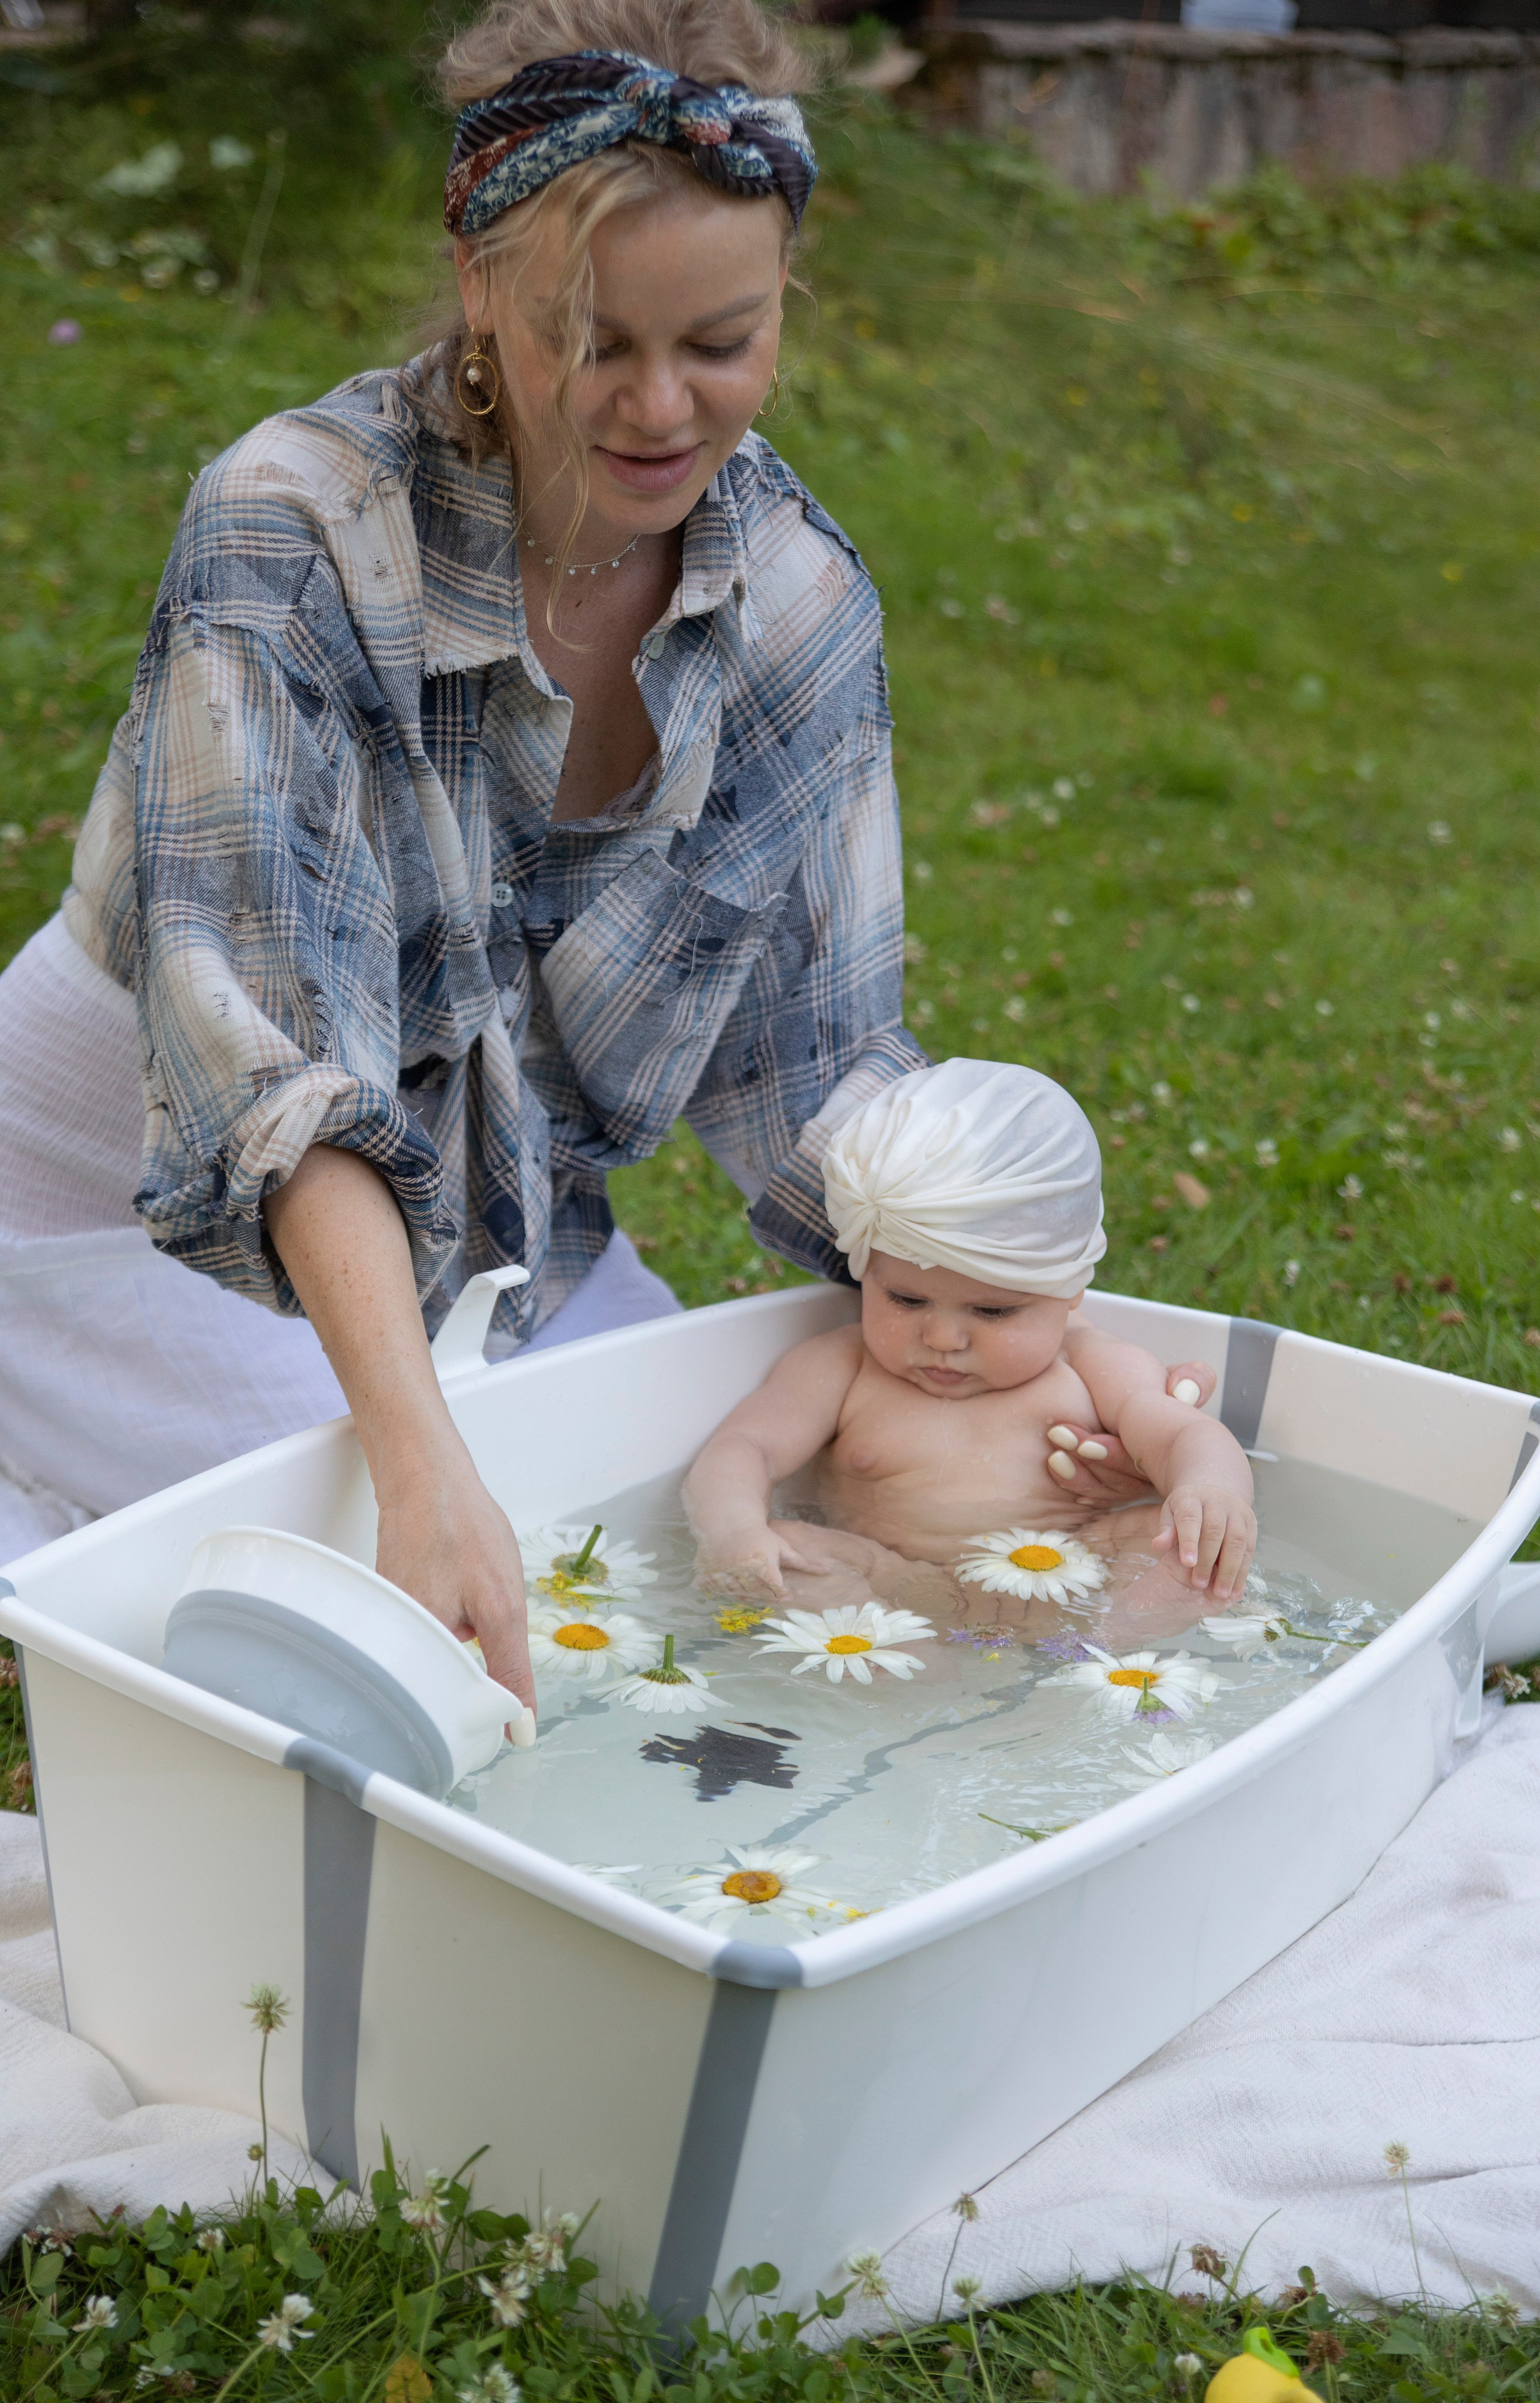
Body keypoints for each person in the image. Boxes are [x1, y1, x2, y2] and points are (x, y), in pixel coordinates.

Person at [0, 0, 929, 1723]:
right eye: (595, 340)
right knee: (403, 1609)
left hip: (502, 1241)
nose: (660, 408)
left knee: (741, 1511)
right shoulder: (292, 528)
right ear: (479, 280)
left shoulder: (798, 605)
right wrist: (423, 1462)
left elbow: (817, 1067)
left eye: (719, 341)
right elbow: (272, 1077)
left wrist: (1000, 1299)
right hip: (126, 1209)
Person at [683, 1059, 1257, 1640]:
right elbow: (745, 1446)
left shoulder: (1090, 1365)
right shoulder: (843, 1366)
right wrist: (733, 1530)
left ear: (1069, 1290)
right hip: (885, 1583)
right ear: (866, 1271)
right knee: (791, 1549)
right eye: (906, 1299)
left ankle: (1101, 1645)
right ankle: (911, 1683)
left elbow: (1185, 1434)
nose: (943, 1338)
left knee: (1176, 1543)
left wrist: (1209, 1491)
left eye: (992, 1311)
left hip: (1070, 1567)